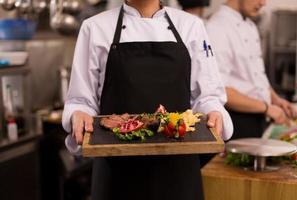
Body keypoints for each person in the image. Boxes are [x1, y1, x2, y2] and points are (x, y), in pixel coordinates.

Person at [62, 0, 233, 199]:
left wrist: (213, 111)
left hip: (178, 171)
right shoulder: (94, 27)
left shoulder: (190, 26)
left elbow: (207, 95)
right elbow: (81, 100)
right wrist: (79, 113)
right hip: (117, 171)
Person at [206, 0, 297, 139]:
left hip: (259, 117)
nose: (263, 3)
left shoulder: (250, 25)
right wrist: (267, 108)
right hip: (237, 121)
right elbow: (220, 89)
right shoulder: (216, 28)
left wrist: (276, 100)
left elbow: (257, 76)